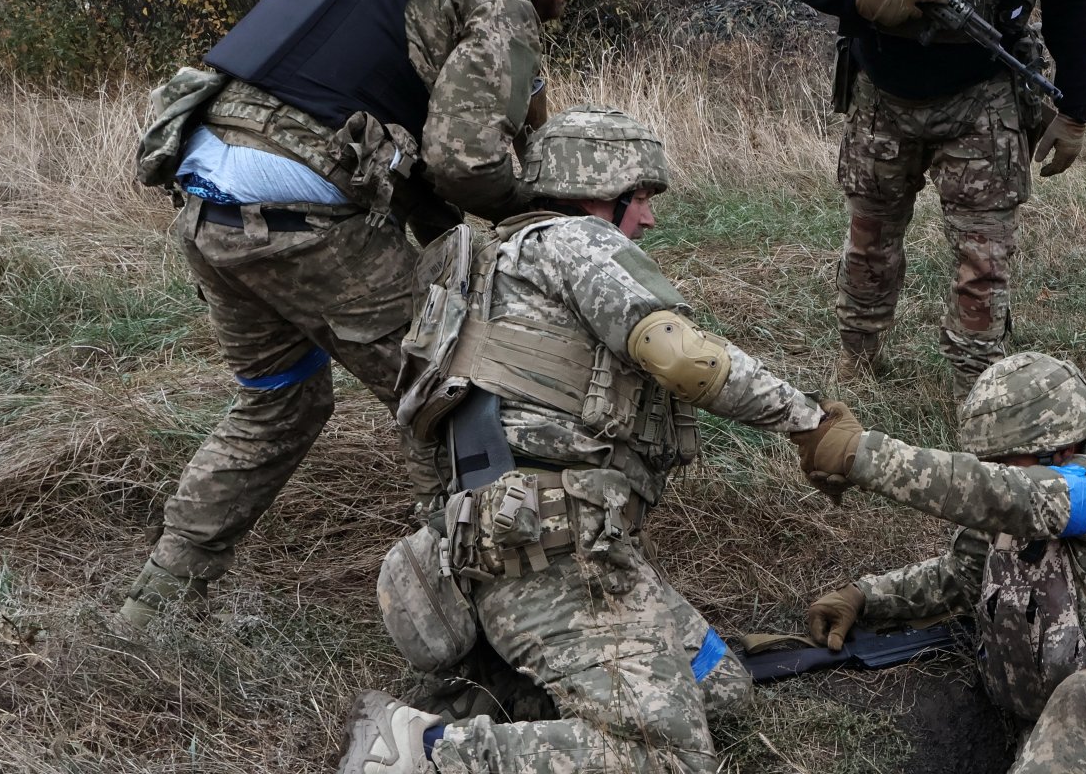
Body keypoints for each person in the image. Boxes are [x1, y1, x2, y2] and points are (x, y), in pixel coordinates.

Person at [120, 0, 618, 628]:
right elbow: (463, 162)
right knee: (464, 397)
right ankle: (495, 622)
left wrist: (454, 244)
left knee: (276, 406)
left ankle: (151, 609)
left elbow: (409, 163)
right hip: (305, 229)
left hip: (212, 217)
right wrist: (545, 223)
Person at [340, 107, 825, 774]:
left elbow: (420, 426)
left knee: (724, 690)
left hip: (501, 544)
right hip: (561, 556)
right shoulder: (577, 243)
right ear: (601, 192)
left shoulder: (470, 270)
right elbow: (682, 358)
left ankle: (513, 696)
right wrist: (811, 422)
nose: (649, 219)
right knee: (669, 756)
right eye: (643, 198)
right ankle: (422, 753)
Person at [790, 352, 1086, 774]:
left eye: (1002, 463)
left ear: (1063, 449)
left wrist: (863, 455)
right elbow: (961, 575)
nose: (994, 472)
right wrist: (865, 596)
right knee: (1078, 702)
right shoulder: (1023, 505)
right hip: (1063, 739)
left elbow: (1016, 496)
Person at [767, 0, 1086, 395]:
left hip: (982, 94)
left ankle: (975, 387)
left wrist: (1075, 108)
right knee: (870, 242)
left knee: (984, 259)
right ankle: (858, 366)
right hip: (883, 90)